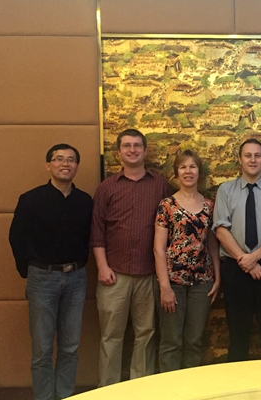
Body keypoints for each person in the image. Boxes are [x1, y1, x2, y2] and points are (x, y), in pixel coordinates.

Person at [90, 129, 174, 386]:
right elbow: (97, 231)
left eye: (137, 145)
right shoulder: (107, 188)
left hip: (149, 275)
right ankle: (108, 390)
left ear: (145, 151)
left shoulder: (161, 186)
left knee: (146, 334)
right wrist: (102, 267)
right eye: (126, 146)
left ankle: (141, 389)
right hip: (114, 275)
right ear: (119, 153)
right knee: (111, 336)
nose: (132, 150)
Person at [9, 144, 93, 400]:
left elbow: (89, 237)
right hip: (42, 278)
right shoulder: (30, 199)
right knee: (42, 349)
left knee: (70, 346)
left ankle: (65, 395)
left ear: (76, 166)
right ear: (48, 165)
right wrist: (31, 271)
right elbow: (17, 238)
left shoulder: (85, 201)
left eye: (71, 160)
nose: (65, 164)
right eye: (59, 159)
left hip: (76, 278)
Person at [212, 138, 261, 361]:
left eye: (257, 155)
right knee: (238, 334)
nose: (252, 160)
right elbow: (220, 230)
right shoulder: (226, 190)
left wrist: (254, 257)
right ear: (240, 159)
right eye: (248, 155)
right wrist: (245, 261)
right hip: (236, 268)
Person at [154, 150, 221, 371]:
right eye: (183, 167)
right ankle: (169, 388)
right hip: (173, 282)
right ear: (176, 173)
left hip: (202, 283)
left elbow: (213, 244)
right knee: (171, 342)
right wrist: (164, 287)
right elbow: (158, 248)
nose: (188, 171)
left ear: (199, 172)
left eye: (192, 166)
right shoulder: (167, 205)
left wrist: (217, 278)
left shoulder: (210, 205)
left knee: (194, 341)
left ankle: (190, 387)